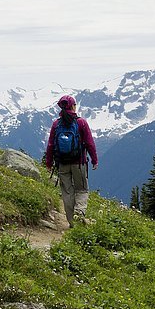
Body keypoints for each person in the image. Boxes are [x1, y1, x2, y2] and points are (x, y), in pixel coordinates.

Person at [45, 95, 98, 227]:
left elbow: (51, 145)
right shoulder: (81, 123)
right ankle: (79, 214)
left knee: (67, 192)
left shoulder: (56, 124)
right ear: (73, 106)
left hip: (62, 163)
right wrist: (94, 160)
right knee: (82, 190)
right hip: (78, 163)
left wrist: (49, 162)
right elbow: (90, 143)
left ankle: (72, 222)